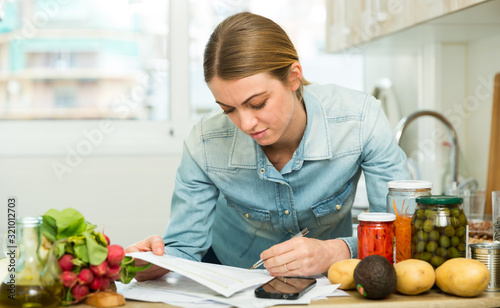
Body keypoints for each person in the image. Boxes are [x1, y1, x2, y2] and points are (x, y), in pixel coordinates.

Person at [125, 12, 410, 281]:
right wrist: (152, 263)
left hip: (327, 279)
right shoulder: (204, 142)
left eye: (258, 103)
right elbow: (182, 248)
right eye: (228, 110)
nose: (246, 123)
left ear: (294, 77)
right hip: (229, 275)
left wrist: (339, 250)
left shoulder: (360, 120)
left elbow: (402, 232)